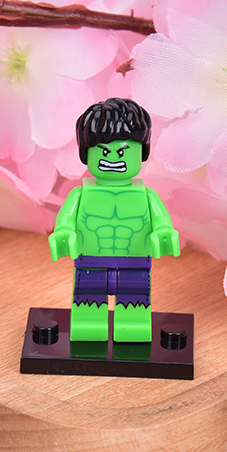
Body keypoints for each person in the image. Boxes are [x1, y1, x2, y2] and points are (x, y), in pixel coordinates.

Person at [49, 98, 180, 342]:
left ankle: (133, 327)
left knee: (134, 308)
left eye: (122, 151)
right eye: (102, 150)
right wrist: (64, 232)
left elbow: (161, 219)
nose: (111, 158)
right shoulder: (80, 194)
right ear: (86, 154)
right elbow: (65, 219)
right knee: (88, 307)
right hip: (90, 262)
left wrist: (163, 231)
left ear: (142, 152)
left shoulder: (147, 196)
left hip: (135, 263)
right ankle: (88, 326)